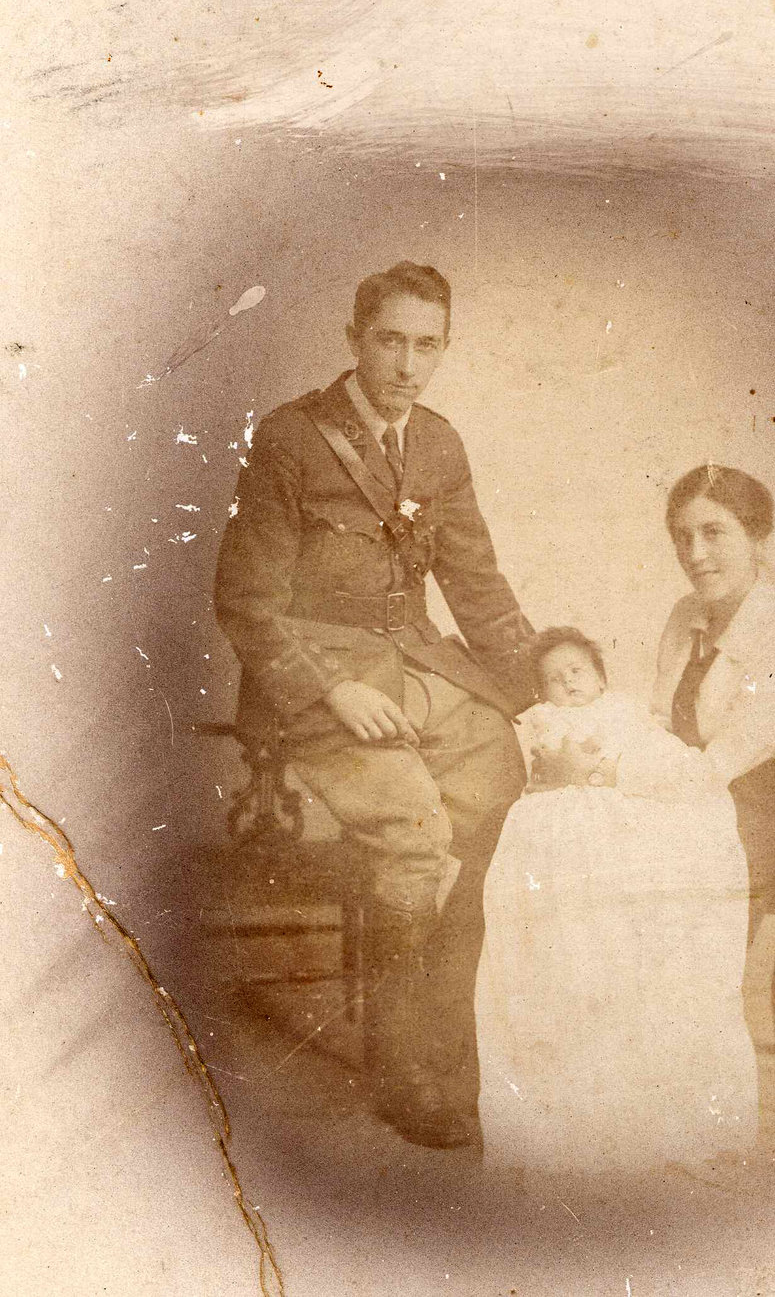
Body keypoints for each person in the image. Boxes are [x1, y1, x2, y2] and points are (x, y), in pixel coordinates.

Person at [213, 261, 535, 1149]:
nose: (407, 364)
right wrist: (331, 687)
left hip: (416, 669)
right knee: (417, 836)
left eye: (427, 345)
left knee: (505, 793)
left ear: (444, 349)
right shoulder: (290, 438)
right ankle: (401, 1070)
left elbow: (477, 586)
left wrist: (542, 698)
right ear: (355, 338)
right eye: (390, 340)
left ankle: (457, 1045)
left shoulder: (438, 445)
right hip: (316, 686)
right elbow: (246, 601)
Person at [474, 627, 758, 1174]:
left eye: (576, 672)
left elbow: (656, 755)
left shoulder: (624, 712)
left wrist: (612, 770)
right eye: (553, 679)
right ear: (542, 692)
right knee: (560, 858)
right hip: (565, 809)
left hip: (623, 803)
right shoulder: (544, 720)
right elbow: (544, 768)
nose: (567, 684)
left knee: (654, 856)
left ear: (601, 678)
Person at [653, 464, 775, 1109]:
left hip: (758, 815)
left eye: (713, 533)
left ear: (756, 537)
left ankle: (680, 1066)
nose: (695, 554)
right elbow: (659, 719)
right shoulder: (686, 615)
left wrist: (642, 787)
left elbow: (725, 760)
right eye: (682, 537)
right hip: (687, 796)